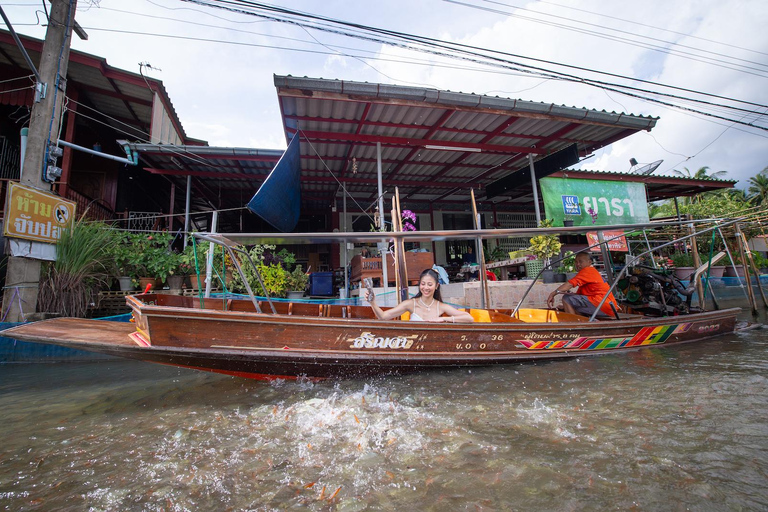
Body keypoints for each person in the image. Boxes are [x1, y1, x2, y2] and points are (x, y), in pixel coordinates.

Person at [365, 268, 474, 323]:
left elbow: (469, 318)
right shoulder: (410, 304)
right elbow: (383, 317)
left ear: (436, 286)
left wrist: (445, 319)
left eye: (429, 284)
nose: (426, 288)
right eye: (423, 284)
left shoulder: (440, 306)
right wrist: (372, 302)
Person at [547, 252, 620, 319]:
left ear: (589, 262)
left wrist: (553, 293)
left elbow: (569, 284)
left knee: (567, 298)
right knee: (570, 300)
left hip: (603, 306)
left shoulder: (588, 270)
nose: (578, 264)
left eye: (580, 262)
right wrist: (565, 307)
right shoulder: (589, 273)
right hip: (608, 308)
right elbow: (579, 295)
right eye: (576, 262)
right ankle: (580, 322)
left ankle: (574, 325)